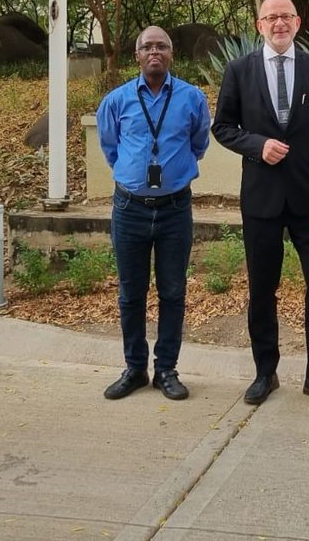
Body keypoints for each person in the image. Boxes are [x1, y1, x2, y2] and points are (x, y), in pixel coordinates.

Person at [212, 0, 309, 407]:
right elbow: (222, 127)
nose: (279, 23)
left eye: (286, 17)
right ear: (259, 25)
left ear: (297, 23)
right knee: (262, 287)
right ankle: (265, 373)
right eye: (270, 17)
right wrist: (258, 145)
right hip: (261, 198)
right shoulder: (239, 70)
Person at [97, 25, 210, 401]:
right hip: (129, 208)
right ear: (137, 56)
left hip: (175, 209)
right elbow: (110, 147)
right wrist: (135, 175)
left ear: (172, 54)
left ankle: (166, 370)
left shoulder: (192, 99)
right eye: (148, 46)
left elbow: (198, 143)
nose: (155, 52)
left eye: (162, 46)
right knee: (131, 293)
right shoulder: (116, 101)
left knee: (173, 292)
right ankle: (134, 368)